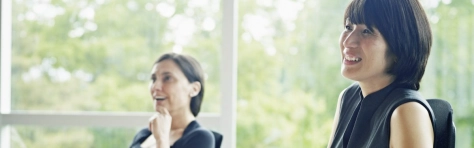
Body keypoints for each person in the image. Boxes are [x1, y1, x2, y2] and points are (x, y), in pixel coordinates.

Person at [328, 0, 435, 147]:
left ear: (399, 47)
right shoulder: (347, 97)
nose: (348, 41)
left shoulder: (407, 112)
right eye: (348, 27)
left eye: (366, 31)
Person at [130, 53, 215, 148]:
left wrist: (161, 139)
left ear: (194, 89)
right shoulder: (144, 134)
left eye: (167, 78)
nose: (155, 87)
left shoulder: (201, 138)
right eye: (154, 79)